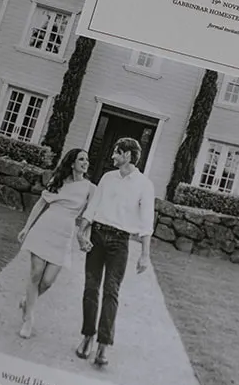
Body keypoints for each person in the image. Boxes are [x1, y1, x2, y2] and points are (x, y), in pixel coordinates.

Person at [75, 137, 155, 370]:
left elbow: (146, 222)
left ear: (128, 155)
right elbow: (93, 208)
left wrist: (145, 255)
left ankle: (103, 344)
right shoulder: (108, 178)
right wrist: (82, 233)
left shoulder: (144, 185)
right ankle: (87, 336)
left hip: (120, 243)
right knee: (91, 288)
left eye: (117, 153)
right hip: (98, 237)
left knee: (111, 291)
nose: (113, 157)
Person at [15, 148, 93, 339]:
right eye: (81, 159)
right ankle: (29, 319)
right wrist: (26, 227)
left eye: (87, 160)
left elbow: (90, 216)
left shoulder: (91, 188)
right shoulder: (58, 181)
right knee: (35, 274)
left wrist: (84, 237)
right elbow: (41, 204)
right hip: (45, 227)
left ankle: (27, 300)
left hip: (65, 233)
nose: (85, 163)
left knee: (48, 281)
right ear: (72, 163)